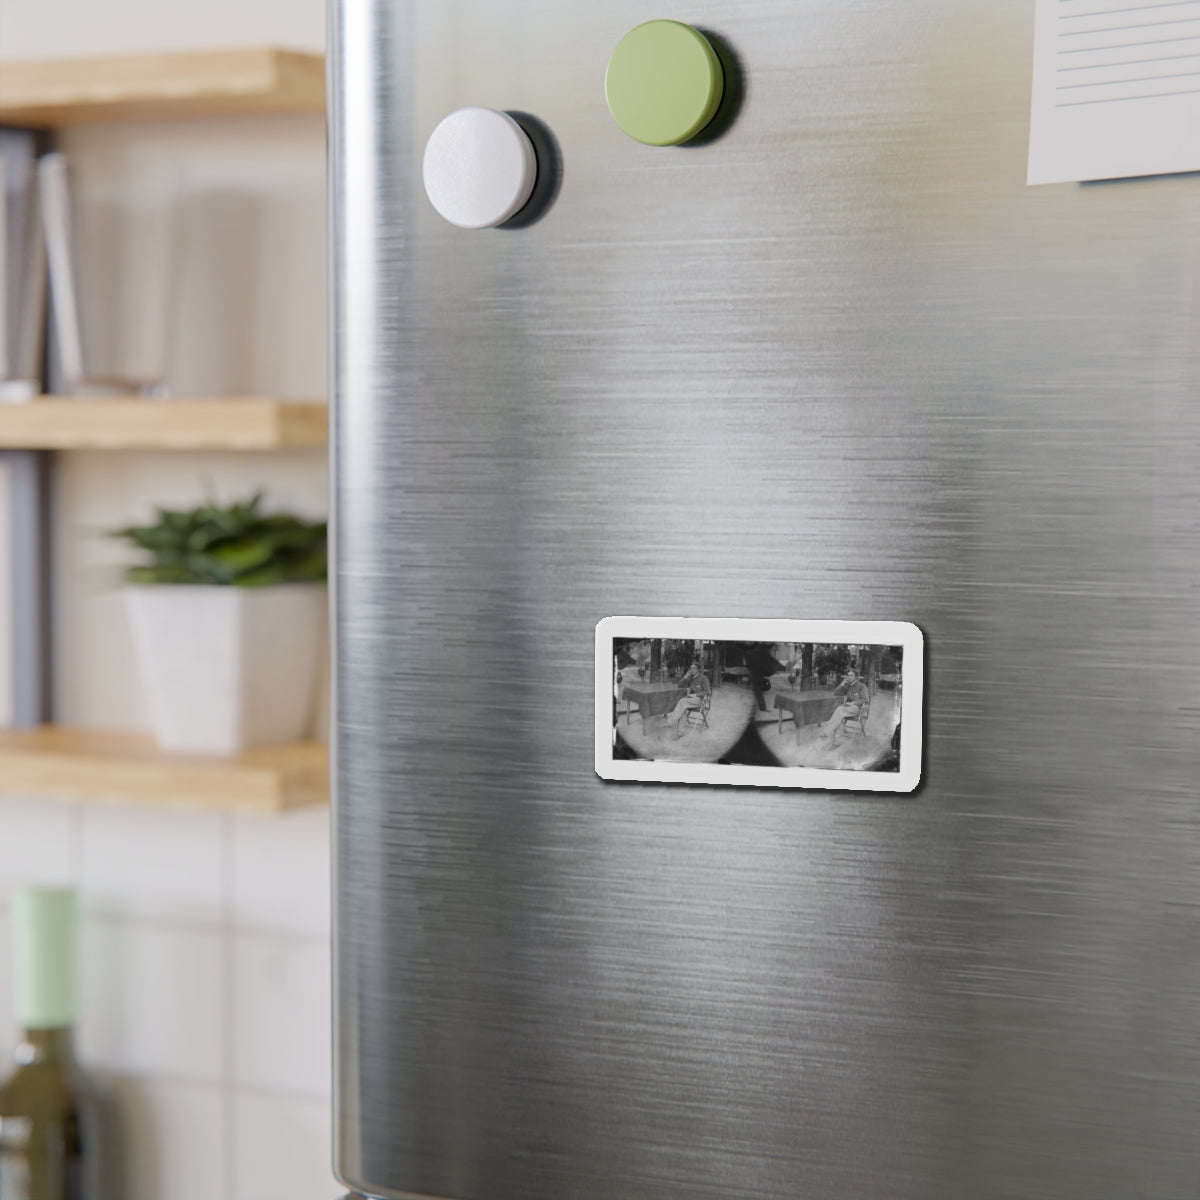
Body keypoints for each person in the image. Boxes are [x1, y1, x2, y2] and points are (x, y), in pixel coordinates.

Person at [819, 666, 869, 748]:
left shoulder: (861, 686)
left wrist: (853, 703)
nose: (849, 677)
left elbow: (865, 699)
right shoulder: (848, 686)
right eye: (848, 675)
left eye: (851, 675)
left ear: (856, 677)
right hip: (847, 709)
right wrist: (842, 683)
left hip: (857, 708)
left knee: (839, 709)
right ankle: (836, 743)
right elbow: (836, 693)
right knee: (840, 717)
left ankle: (826, 732)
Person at [664, 660, 711, 739]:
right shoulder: (691, 678)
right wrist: (685, 676)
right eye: (691, 668)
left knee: (682, 701)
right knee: (682, 709)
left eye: (694, 668)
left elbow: (707, 691)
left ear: (698, 670)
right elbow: (679, 685)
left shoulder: (704, 678)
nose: (691, 670)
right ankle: (680, 733)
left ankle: (670, 722)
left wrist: (695, 695)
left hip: (700, 700)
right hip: (690, 700)